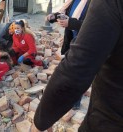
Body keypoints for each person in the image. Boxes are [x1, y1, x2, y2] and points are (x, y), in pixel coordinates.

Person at [33, 0, 123, 131]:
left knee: (83, 77)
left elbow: (77, 70)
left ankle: (75, 104)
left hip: (110, 120)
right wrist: (54, 17)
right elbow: (69, 14)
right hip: (76, 43)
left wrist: (40, 122)